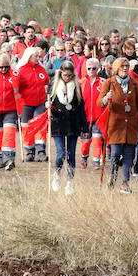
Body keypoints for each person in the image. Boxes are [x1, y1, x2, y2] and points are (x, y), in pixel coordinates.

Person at [98, 57, 138, 194]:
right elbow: (99, 102)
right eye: (122, 66)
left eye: (127, 66)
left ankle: (125, 182)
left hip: (131, 124)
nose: (125, 68)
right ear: (116, 68)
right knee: (115, 154)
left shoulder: (134, 84)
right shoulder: (109, 83)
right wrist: (105, 98)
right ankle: (112, 179)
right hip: (115, 124)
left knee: (129, 155)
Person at [46, 60, 87, 193]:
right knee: (61, 153)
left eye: (70, 75)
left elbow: (81, 109)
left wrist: (85, 128)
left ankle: (69, 183)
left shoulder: (77, 87)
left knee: (71, 155)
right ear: (60, 74)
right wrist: (47, 107)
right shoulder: (53, 86)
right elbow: (47, 103)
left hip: (73, 124)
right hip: (58, 123)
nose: (67, 78)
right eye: (65, 75)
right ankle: (57, 175)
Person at [15, 46, 50, 162]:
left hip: (39, 102)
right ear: (29, 57)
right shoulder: (20, 70)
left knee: (40, 126)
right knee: (26, 127)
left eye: (38, 55)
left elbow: (46, 82)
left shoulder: (41, 69)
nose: (38, 57)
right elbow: (16, 87)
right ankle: (29, 151)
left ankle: (41, 151)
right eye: (35, 56)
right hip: (25, 103)